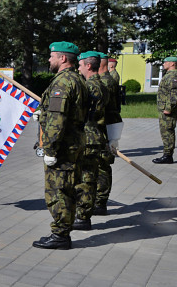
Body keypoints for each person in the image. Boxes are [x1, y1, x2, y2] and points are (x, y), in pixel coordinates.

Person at [33, 41, 87, 250]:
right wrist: (43, 113)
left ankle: (60, 235)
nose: (49, 60)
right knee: (68, 188)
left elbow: (58, 119)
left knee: (59, 191)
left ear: (62, 58)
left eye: (52, 56)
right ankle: (63, 231)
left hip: (63, 147)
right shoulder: (77, 79)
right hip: (74, 143)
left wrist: (50, 149)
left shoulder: (62, 83)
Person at [73, 51, 107, 231]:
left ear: (88, 65)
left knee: (85, 178)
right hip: (94, 135)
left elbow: (81, 112)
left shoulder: (90, 86)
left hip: (87, 136)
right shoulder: (100, 84)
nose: (78, 69)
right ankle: (84, 214)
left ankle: (83, 217)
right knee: (90, 177)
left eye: (79, 65)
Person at [94, 52, 121, 215]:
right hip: (106, 128)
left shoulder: (105, 82)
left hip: (104, 130)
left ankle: (100, 202)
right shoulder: (106, 80)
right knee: (101, 166)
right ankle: (99, 200)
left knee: (102, 167)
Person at [153, 56, 177, 164]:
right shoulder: (169, 75)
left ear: (172, 63)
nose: (163, 64)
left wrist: (168, 108)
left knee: (168, 132)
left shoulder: (172, 76)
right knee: (166, 132)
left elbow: (174, 95)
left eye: (165, 62)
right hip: (165, 109)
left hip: (168, 111)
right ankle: (167, 154)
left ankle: (168, 156)